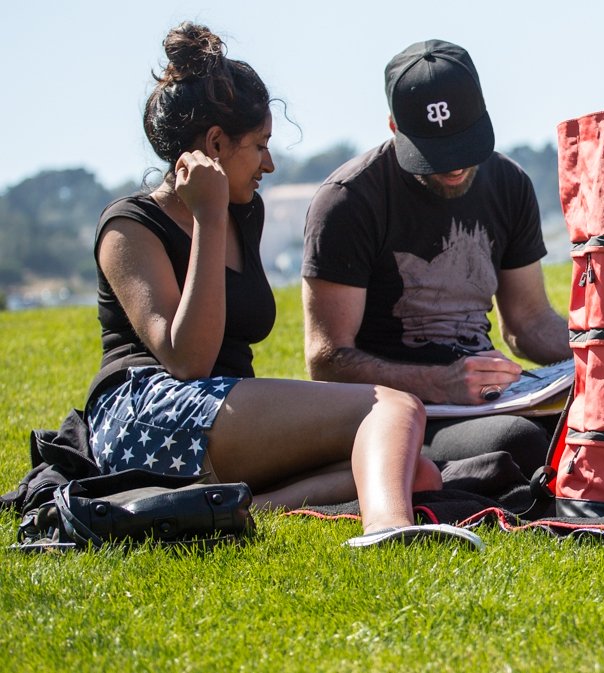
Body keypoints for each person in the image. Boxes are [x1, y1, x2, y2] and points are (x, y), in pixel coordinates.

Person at [87, 22, 481, 550]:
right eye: (260, 145)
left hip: (217, 416)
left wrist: (219, 214)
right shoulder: (130, 226)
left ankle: (216, 509)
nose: (269, 163)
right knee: (395, 408)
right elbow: (188, 362)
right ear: (215, 145)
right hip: (146, 418)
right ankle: (389, 532)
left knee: (410, 468)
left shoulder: (241, 213)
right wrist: (207, 216)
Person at [301, 39, 570, 478]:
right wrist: (438, 383)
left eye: (465, 145)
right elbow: (327, 361)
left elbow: (529, 325)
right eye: (432, 153)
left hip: (490, 397)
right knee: (518, 442)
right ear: (393, 126)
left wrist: (602, 356)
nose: (454, 167)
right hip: (398, 411)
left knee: (591, 421)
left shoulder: (509, 183)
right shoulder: (348, 201)